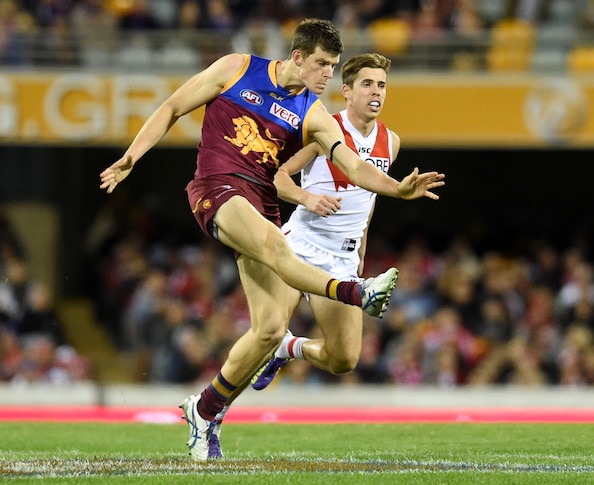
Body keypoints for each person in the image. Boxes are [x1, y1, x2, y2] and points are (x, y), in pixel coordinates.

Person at [98, 19, 445, 461]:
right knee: (278, 247)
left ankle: (204, 411)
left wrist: (397, 188)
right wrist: (131, 156)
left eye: (333, 66)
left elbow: (355, 168)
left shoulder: (313, 114)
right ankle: (354, 292)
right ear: (297, 57)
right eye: (321, 64)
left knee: (268, 331)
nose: (326, 75)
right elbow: (172, 107)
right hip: (218, 187)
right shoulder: (236, 68)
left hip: (262, 205)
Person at [205, 52, 407, 458]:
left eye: (381, 85)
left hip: (342, 258)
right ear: (346, 91)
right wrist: (306, 197)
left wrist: (359, 258)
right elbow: (275, 176)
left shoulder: (391, 141)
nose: (376, 92)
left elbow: (366, 207)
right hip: (300, 245)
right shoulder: (323, 128)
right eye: (367, 84)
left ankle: (289, 350)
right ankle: (210, 417)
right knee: (266, 329)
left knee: (343, 360)